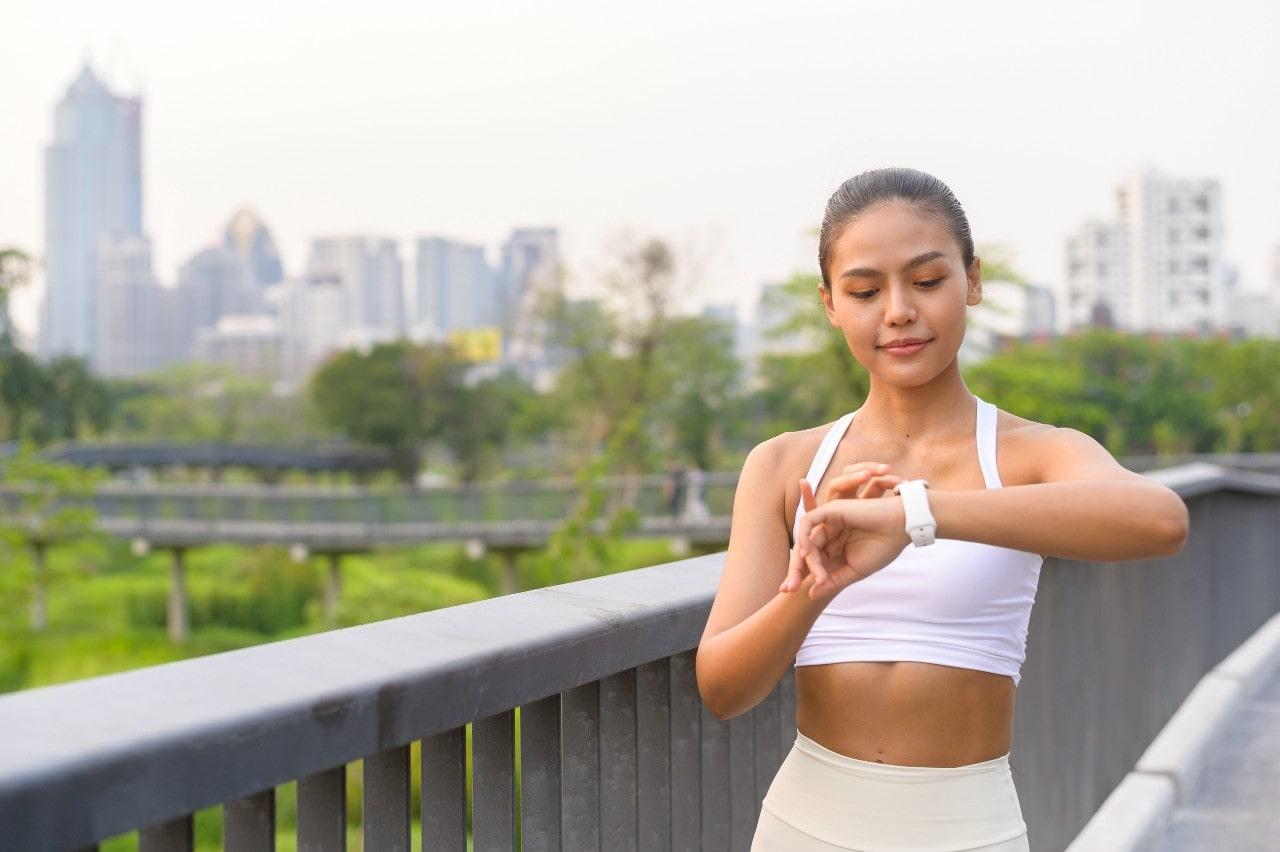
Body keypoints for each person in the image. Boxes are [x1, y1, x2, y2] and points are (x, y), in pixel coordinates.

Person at [695, 167, 1189, 851]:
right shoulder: (783, 466)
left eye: (927, 281)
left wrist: (918, 515)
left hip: (967, 827)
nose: (898, 310)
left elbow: (1160, 521)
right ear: (831, 304)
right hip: (804, 822)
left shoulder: (1029, 454)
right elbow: (723, 687)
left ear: (973, 281)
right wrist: (813, 586)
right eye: (865, 290)